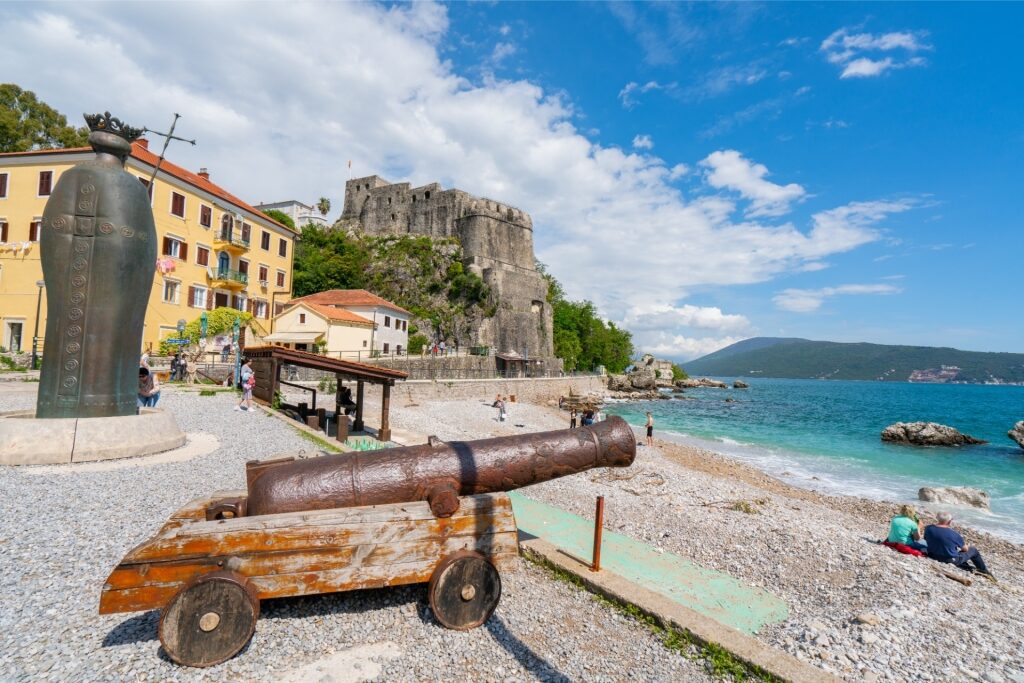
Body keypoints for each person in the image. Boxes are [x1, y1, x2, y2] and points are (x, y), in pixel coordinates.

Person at [924, 512, 993, 577]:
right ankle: (984, 570)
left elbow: (926, 539)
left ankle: (966, 566)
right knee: (973, 550)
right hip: (949, 559)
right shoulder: (954, 534)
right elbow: (965, 549)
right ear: (949, 522)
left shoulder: (928, 528)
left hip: (932, 555)